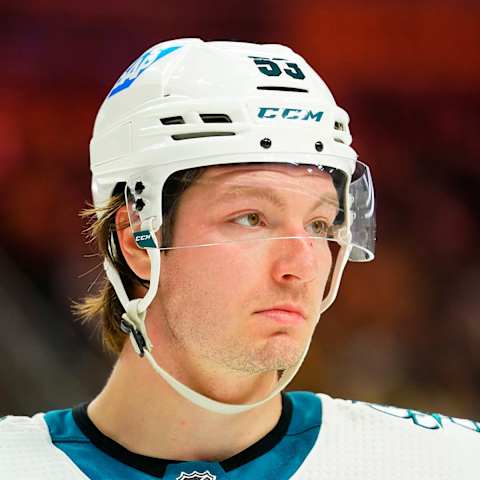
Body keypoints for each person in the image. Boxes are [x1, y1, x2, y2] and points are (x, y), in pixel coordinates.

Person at [0, 38, 477, 480]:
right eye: (251, 218)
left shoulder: (444, 463)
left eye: (318, 225)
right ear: (137, 239)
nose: (302, 265)